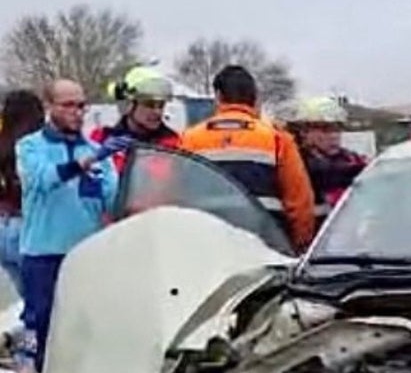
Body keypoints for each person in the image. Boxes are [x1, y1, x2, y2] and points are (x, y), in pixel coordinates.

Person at [16, 80, 123, 373]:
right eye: (68, 105)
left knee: (82, 326)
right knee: (38, 322)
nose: (77, 112)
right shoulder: (29, 146)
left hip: (84, 255)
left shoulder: (95, 150)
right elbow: (41, 180)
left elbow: (112, 200)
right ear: (50, 107)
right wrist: (81, 165)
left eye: (81, 105)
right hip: (42, 253)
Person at [179, 65, 315, 251]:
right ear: (254, 98)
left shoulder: (189, 139)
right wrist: (298, 244)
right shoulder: (276, 138)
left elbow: (176, 194)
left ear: (218, 96)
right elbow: (300, 202)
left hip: (206, 245)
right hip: (264, 244)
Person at [286, 96, 368, 230]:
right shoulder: (294, 161)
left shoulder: (351, 159)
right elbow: (323, 173)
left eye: (337, 129)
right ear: (304, 132)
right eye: (325, 129)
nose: (334, 136)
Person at [89, 66, 180, 171]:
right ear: (128, 104)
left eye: (161, 105)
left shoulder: (174, 145)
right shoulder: (100, 138)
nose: (157, 112)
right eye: (149, 104)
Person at [0, 90, 45, 296]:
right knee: (44, 298)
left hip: (3, 225)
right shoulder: (36, 146)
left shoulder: (3, 142)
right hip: (30, 226)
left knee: (24, 292)